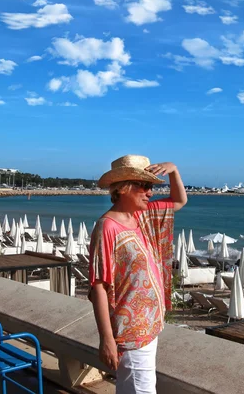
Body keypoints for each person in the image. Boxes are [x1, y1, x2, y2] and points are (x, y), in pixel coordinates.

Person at [89, 155, 187, 394]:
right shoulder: (108, 227)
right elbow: (98, 287)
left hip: (150, 325)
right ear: (123, 188)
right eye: (143, 186)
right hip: (130, 331)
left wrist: (173, 171)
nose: (149, 192)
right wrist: (107, 340)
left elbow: (178, 201)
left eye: (151, 187)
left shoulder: (140, 216)